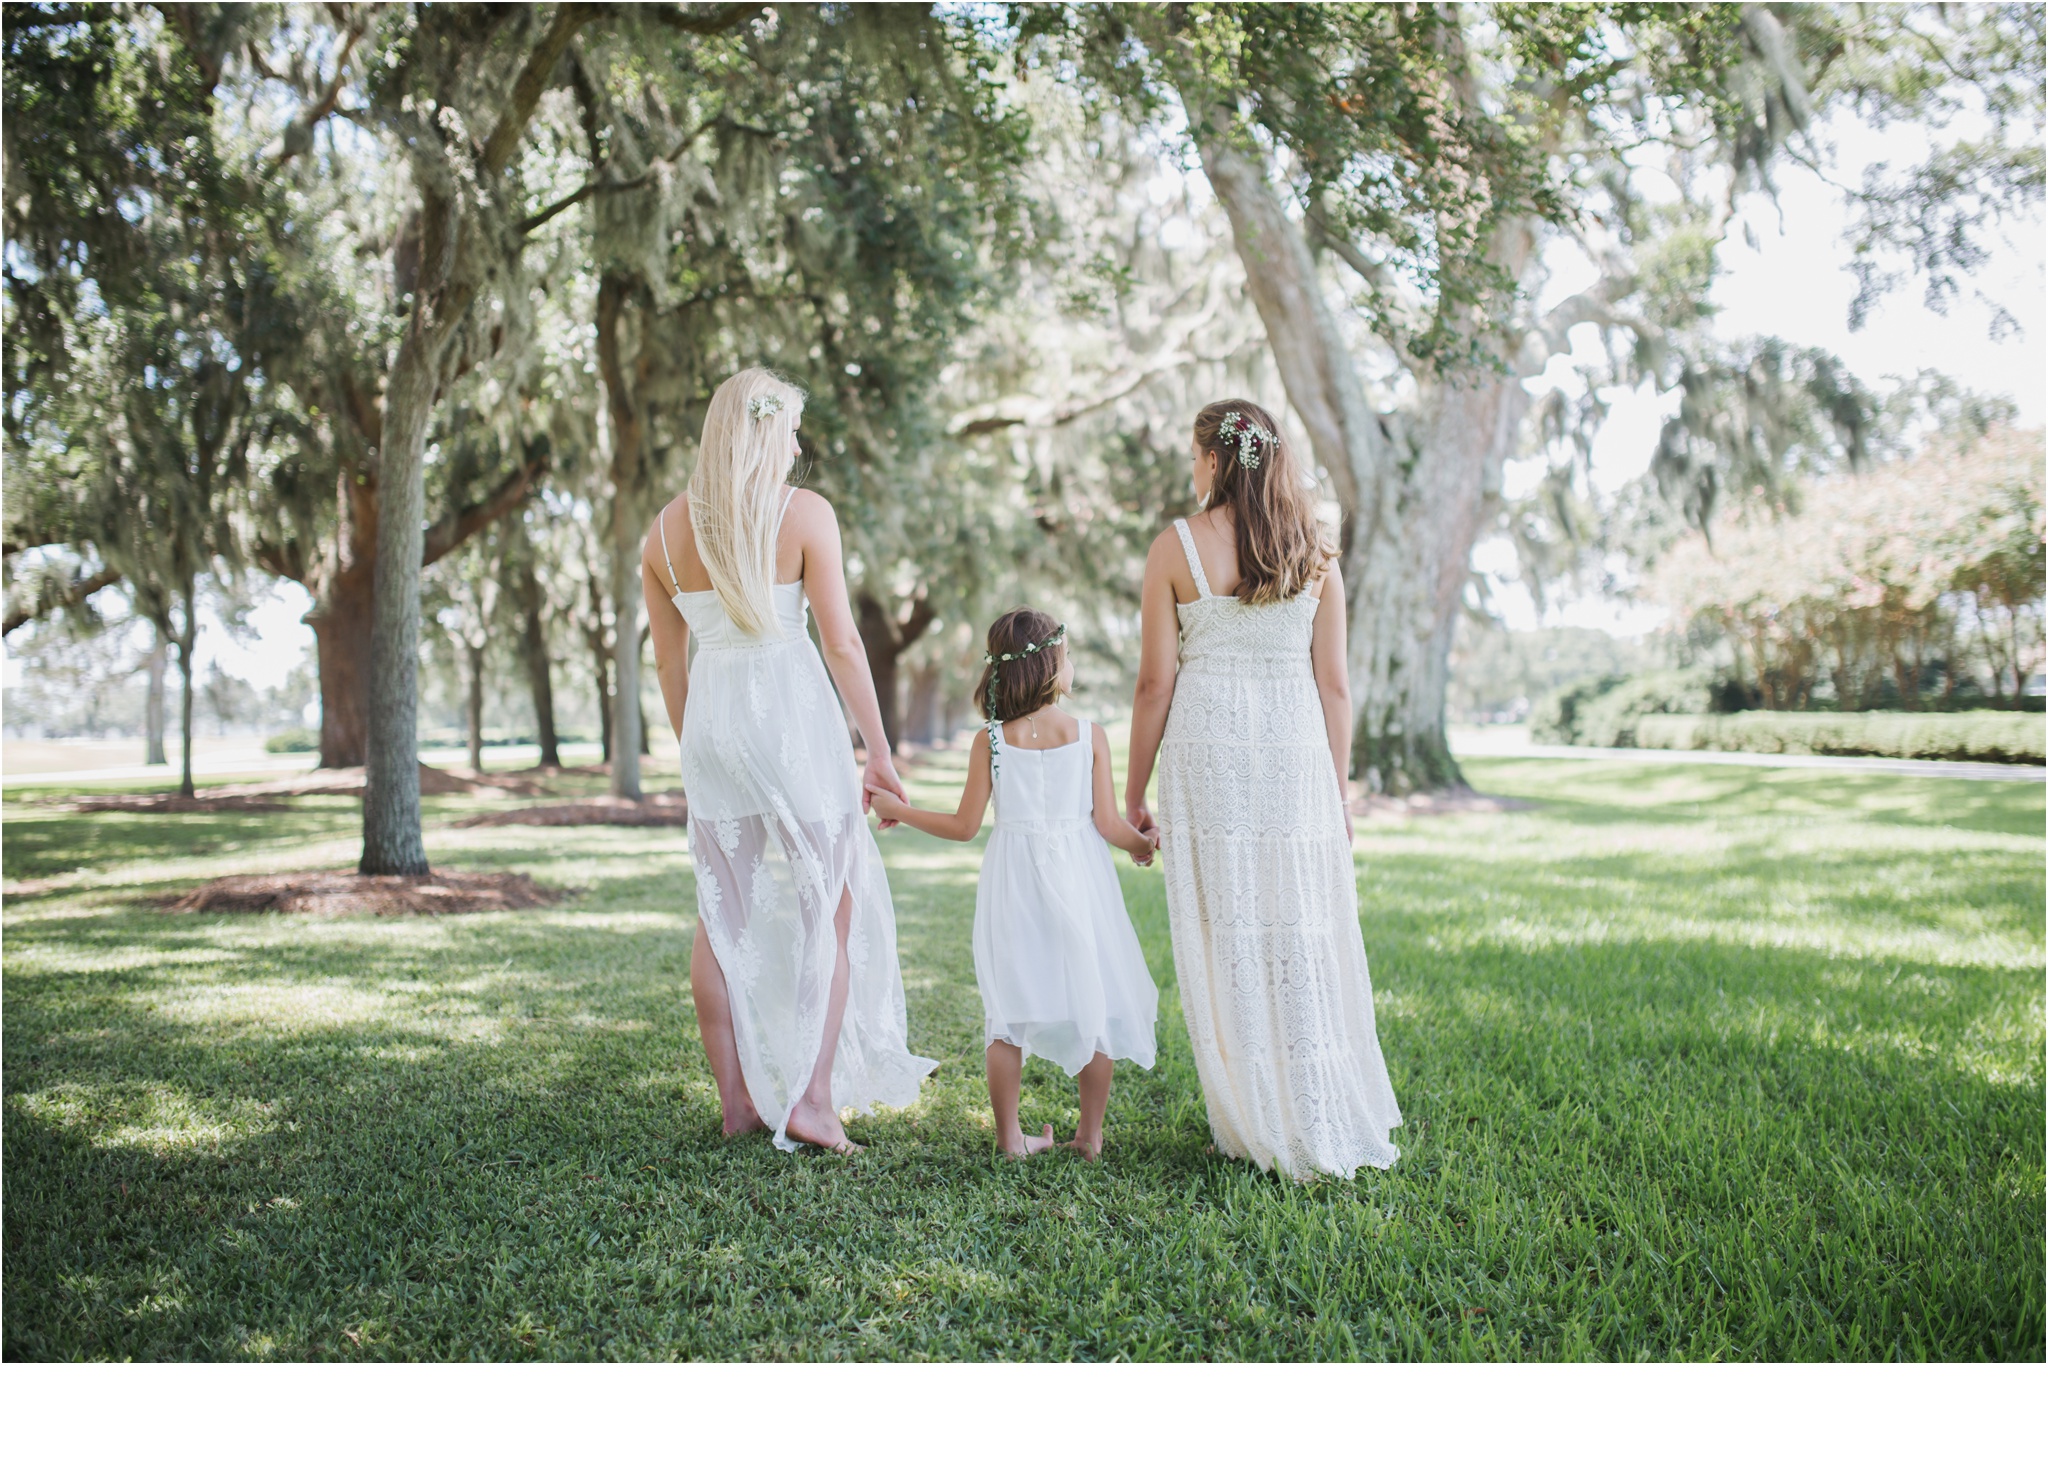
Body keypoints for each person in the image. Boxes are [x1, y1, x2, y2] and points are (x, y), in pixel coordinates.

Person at [643, 366, 935, 1155]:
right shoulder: (803, 513)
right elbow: (840, 642)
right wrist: (878, 748)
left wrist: (698, 742)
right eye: (792, 430)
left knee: (720, 913)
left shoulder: (664, 533)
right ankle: (810, 1100)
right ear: (768, 432)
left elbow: (671, 669)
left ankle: (736, 1103)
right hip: (794, 722)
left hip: (711, 723)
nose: (798, 445)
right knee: (827, 906)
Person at [1123, 399, 1403, 1180]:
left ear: (1214, 459)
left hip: (1207, 747)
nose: (1191, 468)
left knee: (1231, 926)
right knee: (1299, 920)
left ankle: (1253, 1110)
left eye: (1192, 454)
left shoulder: (1174, 546)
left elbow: (1153, 683)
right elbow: (1336, 686)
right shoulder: (1316, 550)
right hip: (1294, 749)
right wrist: (1336, 793)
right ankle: (1305, 1098)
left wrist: (1132, 791)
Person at [869, 609, 1159, 1162]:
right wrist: (1143, 845)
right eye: (1068, 655)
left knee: (1008, 1009)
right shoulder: (1088, 735)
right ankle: (1089, 1137)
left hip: (1014, 882)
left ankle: (1010, 1140)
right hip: (1081, 877)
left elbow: (963, 827)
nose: (1071, 665)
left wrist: (899, 811)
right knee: (1090, 996)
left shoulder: (992, 742)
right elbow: (1108, 824)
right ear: (1050, 664)